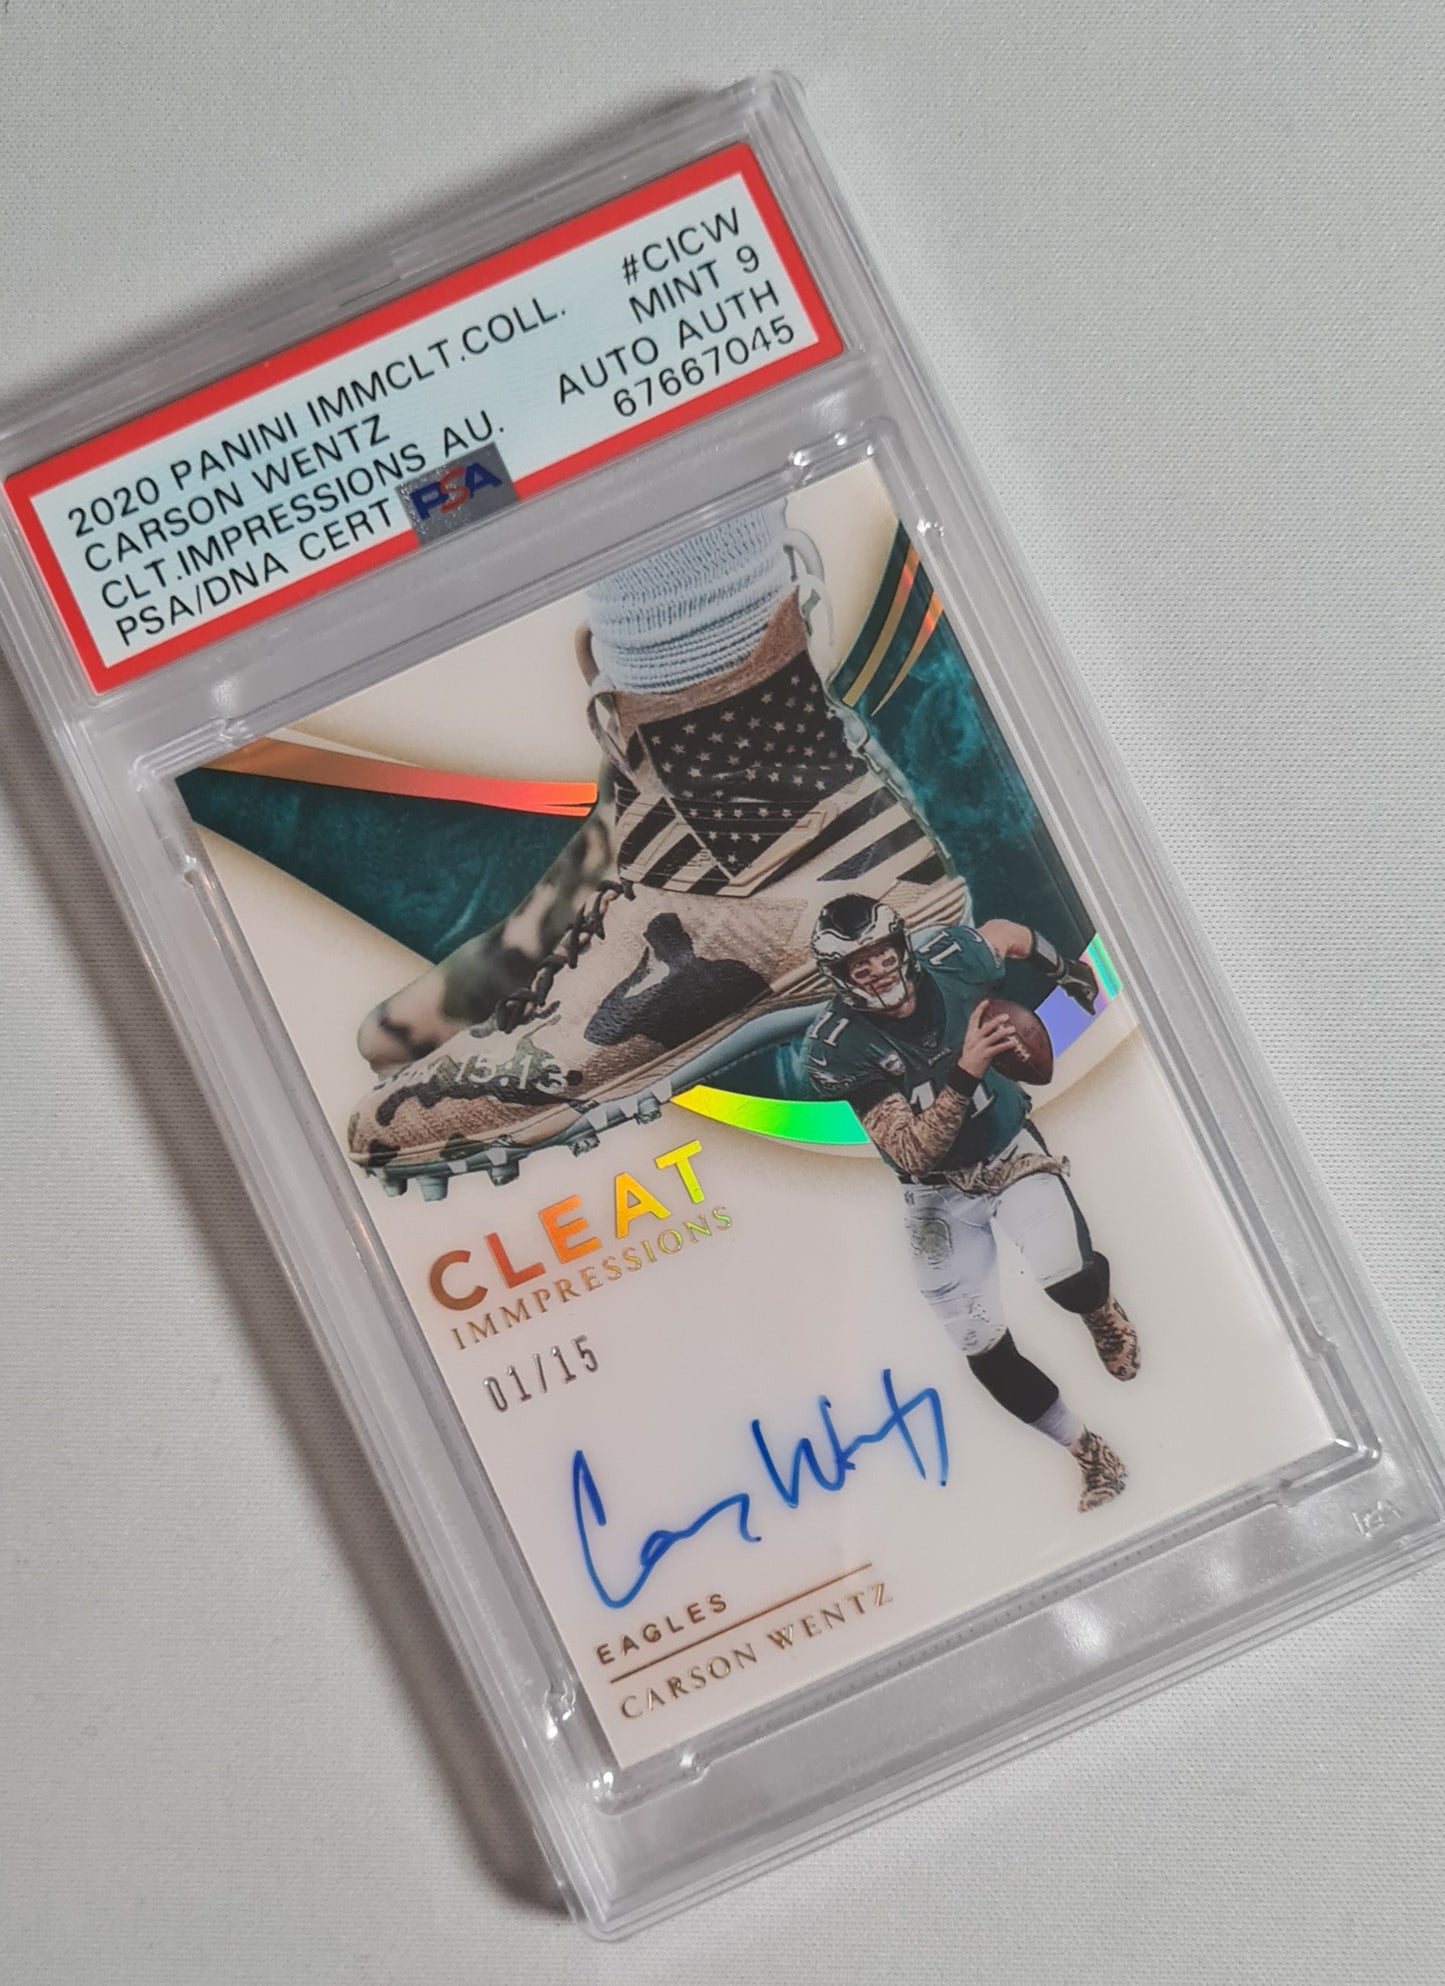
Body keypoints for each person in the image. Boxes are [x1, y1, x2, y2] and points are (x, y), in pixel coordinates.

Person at [804, 893, 1136, 1512]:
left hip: (1006, 1151)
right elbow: (911, 1151)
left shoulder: (952, 957)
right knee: (981, 1347)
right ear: (840, 976)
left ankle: (1098, 1308)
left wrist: (1064, 967)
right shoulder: (836, 1045)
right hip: (934, 1195)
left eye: (881, 954)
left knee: (1068, 1278)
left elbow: (1007, 931)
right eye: (858, 965)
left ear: (900, 945)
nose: (876, 971)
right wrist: (966, 1070)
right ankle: (1089, 1452)